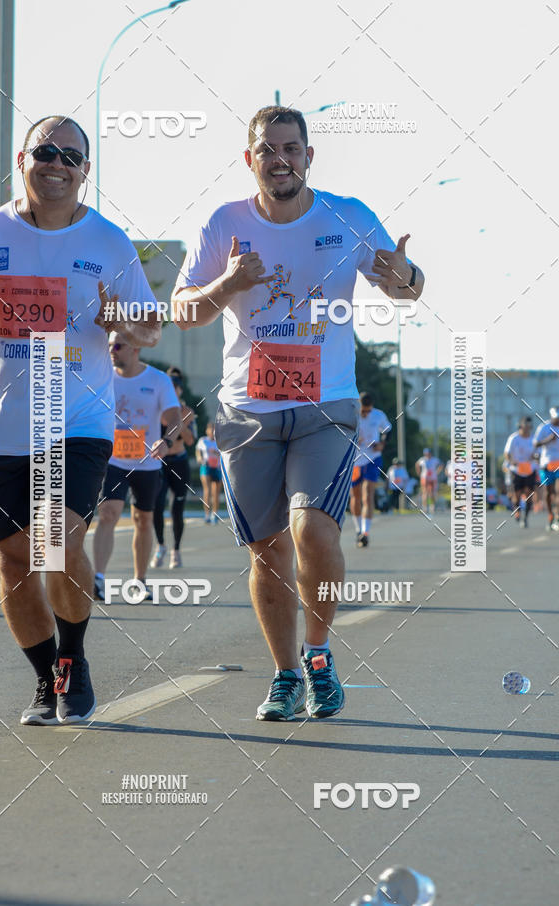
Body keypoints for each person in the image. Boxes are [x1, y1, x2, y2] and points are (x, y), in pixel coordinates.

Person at [172, 105, 424, 721]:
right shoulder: (223, 222)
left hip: (325, 406)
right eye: (267, 149)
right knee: (267, 551)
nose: (280, 159)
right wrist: (227, 284)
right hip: (248, 409)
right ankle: (285, 675)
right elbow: (184, 310)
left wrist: (406, 275)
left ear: (309, 156)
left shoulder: (348, 215)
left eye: (291, 148)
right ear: (250, 158)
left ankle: (318, 655)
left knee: (313, 530)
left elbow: (407, 289)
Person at [0, 115, 162, 725]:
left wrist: (120, 324)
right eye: (45, 151)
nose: (56, 163)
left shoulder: (108, 243)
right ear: (23, 159)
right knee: (16, 562)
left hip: (76, 421)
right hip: (0, 426)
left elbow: (149, 326)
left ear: (85, 171)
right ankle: (48, 678)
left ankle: (73, 660)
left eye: (69, 156)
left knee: (56, 541)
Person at [93, 335, 181, 599]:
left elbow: (175, 417)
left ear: (136, 348)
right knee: (109, 512)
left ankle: (140, 581)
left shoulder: (157, 380)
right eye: (108, 345)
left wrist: (166, 441)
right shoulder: (101, 375)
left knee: (143, 520)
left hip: (147, 462)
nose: (111, 351)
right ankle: (98, 579)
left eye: (118, 346)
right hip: (112, 459)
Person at [152, 366, 197, 569]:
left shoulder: (187, 412)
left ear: (180, 390)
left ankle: (176, 550)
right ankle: (160, 545)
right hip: (160, 463)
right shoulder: (157, 409)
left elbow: (190, 441)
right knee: (157, 505)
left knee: (177, 508)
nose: (174, 389)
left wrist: (182, 422)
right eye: (170, 385)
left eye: (177, 386)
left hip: (179, 461)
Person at [349, 392, 391, 545]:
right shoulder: (351, 414)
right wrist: (352, 437)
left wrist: (382, 444)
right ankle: (358, 529)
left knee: (368, 494)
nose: (365, 414)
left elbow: (388, 430)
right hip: (354, 461)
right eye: (363, 411)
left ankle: (365, 533)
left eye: (368, 411)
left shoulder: (378, 415)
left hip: (372, 458)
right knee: (355, 496)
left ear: (371, 408)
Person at [503, 416, 536, 528]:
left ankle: (525, 518)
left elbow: (537, 453)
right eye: (525, 425)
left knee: (528, 495)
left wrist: (535, 456)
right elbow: (507, 453)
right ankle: (517, 512)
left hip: (530, 470)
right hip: (516, 470)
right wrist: (512, 461)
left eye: (529, 426)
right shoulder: (514, 438)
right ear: (521, 425)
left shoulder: (533, 439)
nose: (527, 428)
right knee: (516, 496)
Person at [533, 406, 559, 531]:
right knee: (549, 492)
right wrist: (548, 440)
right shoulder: (544, 427)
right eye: (556, 418)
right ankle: (550, 515)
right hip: (547, 464)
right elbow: (535, 443)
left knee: (558, 491)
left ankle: (558, 517)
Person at [196, 422, 222, 525]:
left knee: (215, 493)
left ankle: (214, 514)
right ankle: (207, 514)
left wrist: (217, 453)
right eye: (210, 430)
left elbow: (224, 453)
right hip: (206, 466)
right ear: (207, 431)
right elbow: (198, 451)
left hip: (217, 467)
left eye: (214, 431)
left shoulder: (219, 442)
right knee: (207, 490)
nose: (212, 433)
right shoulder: (203, 440)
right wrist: (199, 458)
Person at [415, 448, 442, 513]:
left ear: (430, 453)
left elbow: (441, 465)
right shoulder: (422, 459)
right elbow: (417, 464)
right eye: (426, 454)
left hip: (432, 478)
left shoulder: (434, 459)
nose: (427, 455)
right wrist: (419, 473)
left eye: (428, 453)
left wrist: (437, 472)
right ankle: (424, 507)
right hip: (424, 477)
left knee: (432, 493)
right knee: (425, 492)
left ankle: (432, 507)